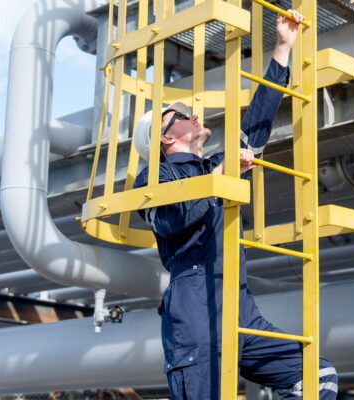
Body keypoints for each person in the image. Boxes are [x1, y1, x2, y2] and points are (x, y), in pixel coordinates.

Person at [132, 10, 338, 399]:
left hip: (238, 305)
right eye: (179, 115)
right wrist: (223, 176)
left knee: (316, 375)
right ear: (165, 140)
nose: (194, 114)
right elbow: (174, 217)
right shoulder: (154, 179)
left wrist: (282, 48)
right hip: (195, 312)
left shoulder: (214, 167)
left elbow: (257, 124)